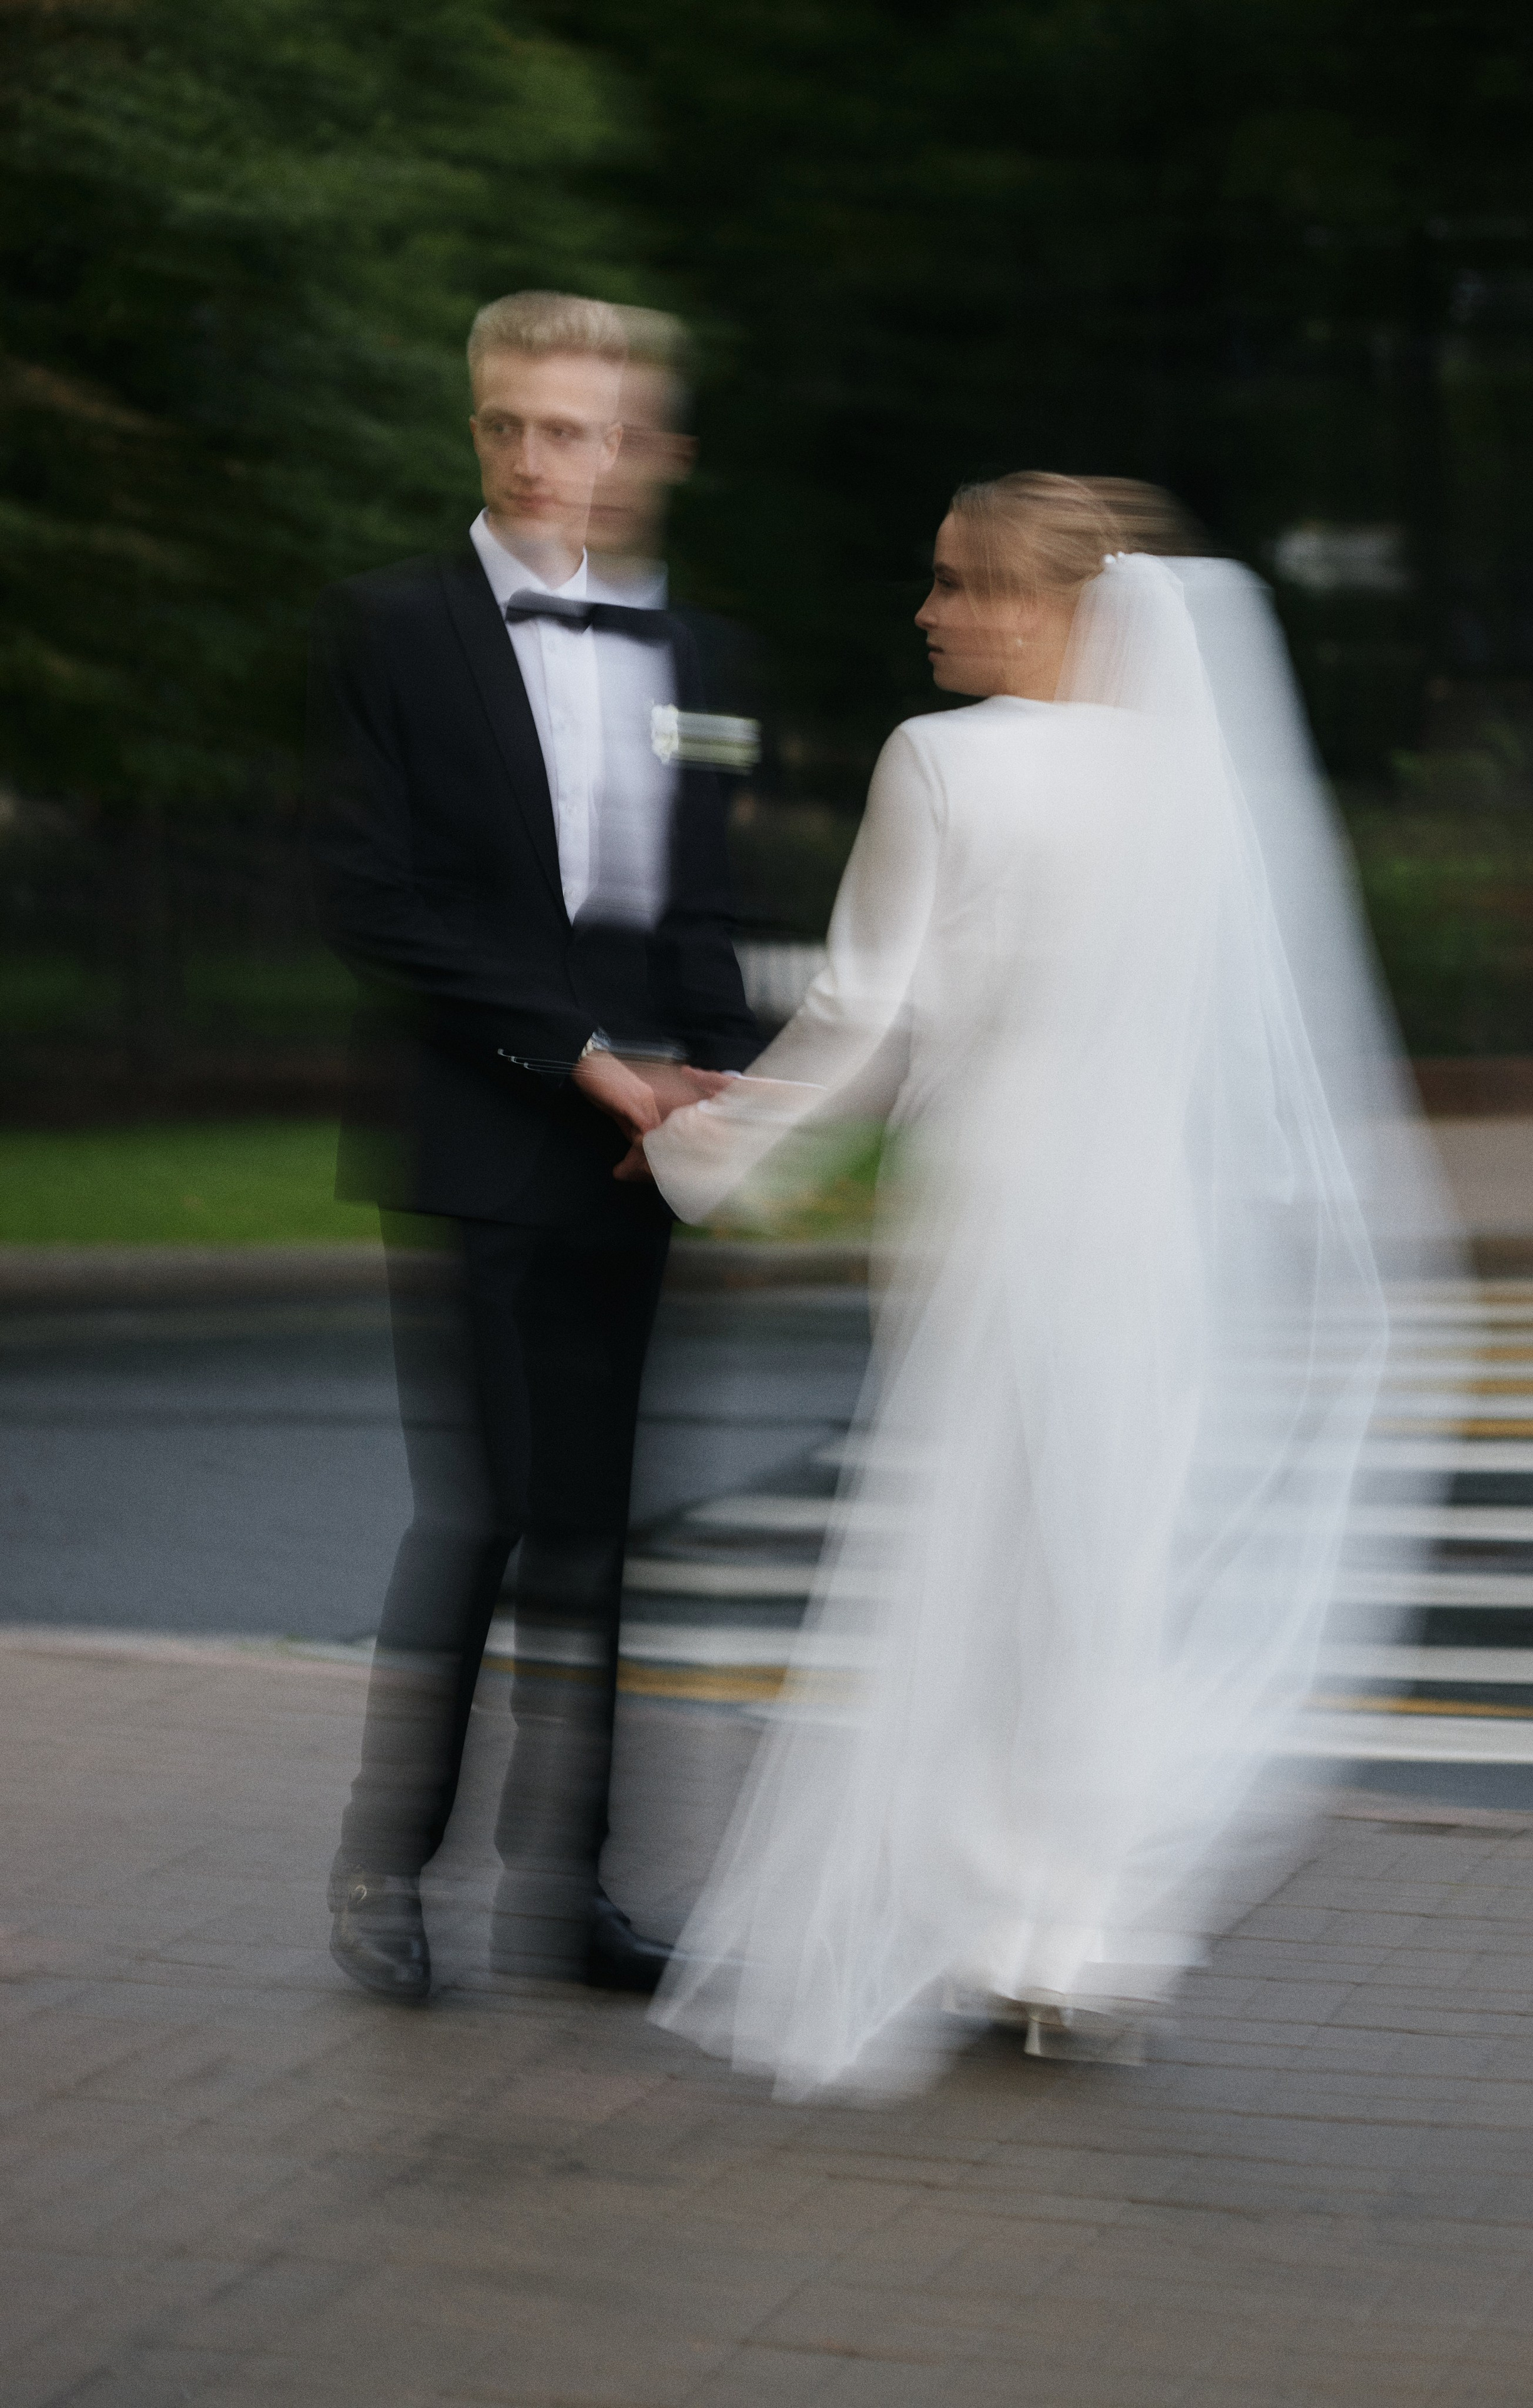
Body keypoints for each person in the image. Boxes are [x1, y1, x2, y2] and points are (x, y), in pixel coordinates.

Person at [636, 473, 1455, 2096]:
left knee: (987, 1572)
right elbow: (1252, 1035)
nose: (933, 613)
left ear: (1063, 606)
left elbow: (875, 1022)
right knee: (1107, 1572)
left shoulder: (946, 763)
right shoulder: (1204, 780)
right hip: (1158, 1230)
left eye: (967, 584)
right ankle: (1084, 1934)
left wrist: (705, 1155)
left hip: (1004, 1216)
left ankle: (1010, 1924)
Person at [307, 290, 759, 2005]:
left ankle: (568, 1899)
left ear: (648, 449)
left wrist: (712, 1091)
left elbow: (704, 915)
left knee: (605, 1525)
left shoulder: (707, 659)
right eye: (509, 422)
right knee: (489, 1509)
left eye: (575, 427)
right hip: (486, 1132)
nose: (536, 456)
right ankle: (385, 1866)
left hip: (652, 1159)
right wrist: (589, 1062)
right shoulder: (387, 630)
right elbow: (376, 904)